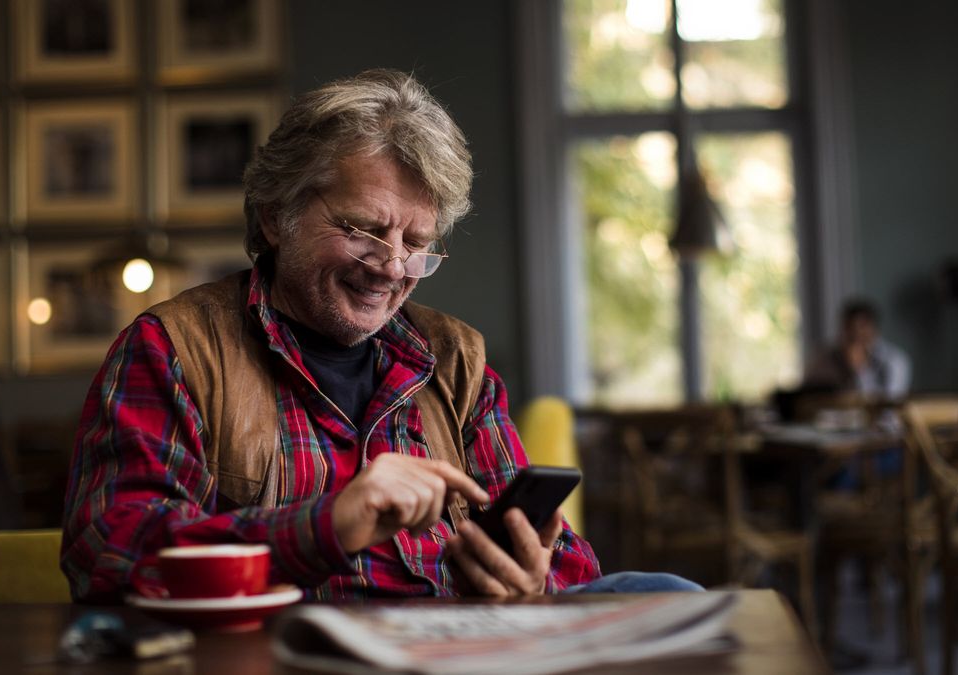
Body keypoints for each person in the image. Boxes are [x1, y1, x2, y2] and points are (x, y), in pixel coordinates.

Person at [61, 69, 696, 603]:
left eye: (417, 245)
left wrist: (532, 576)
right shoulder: (173, 349)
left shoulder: (456, 360)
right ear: (276, 217)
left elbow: (564, 566)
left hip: (459, 646)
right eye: (365, 230)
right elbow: (109, 551)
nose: (393, 267)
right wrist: (327, 525)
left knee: (670, 597)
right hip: (290, 648)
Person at [804, 298, 911, 400]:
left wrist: (859, 370)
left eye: (862, 327)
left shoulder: (894, 360)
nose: (856, 334)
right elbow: (808, 394)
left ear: (874, 328)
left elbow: (890, 405)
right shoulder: (825, 358)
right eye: (849, 328)